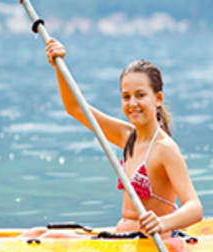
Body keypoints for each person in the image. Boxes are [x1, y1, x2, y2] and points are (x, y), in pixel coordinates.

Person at [22, 38, 203, 239]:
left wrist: (161, 223)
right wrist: (58, 65)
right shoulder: (127, 137)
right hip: (123, 241)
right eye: (126, 97)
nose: (132, 103)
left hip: (149, 244)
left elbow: (195, 208)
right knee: (36, 233)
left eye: (140, 95)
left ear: (158, 99)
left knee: (48, 240)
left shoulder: (164, 148)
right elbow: (75, 108)